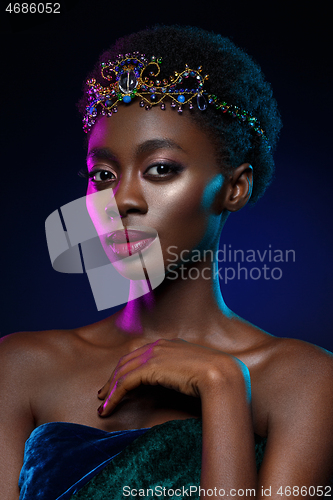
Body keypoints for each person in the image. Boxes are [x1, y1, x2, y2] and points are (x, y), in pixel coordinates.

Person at [1, 25, 333, 500]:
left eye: (160, 168)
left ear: (234, 188)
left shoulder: (305, 382)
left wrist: (221, 388)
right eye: (103, 174)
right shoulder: (20, 368)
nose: (123, 199)